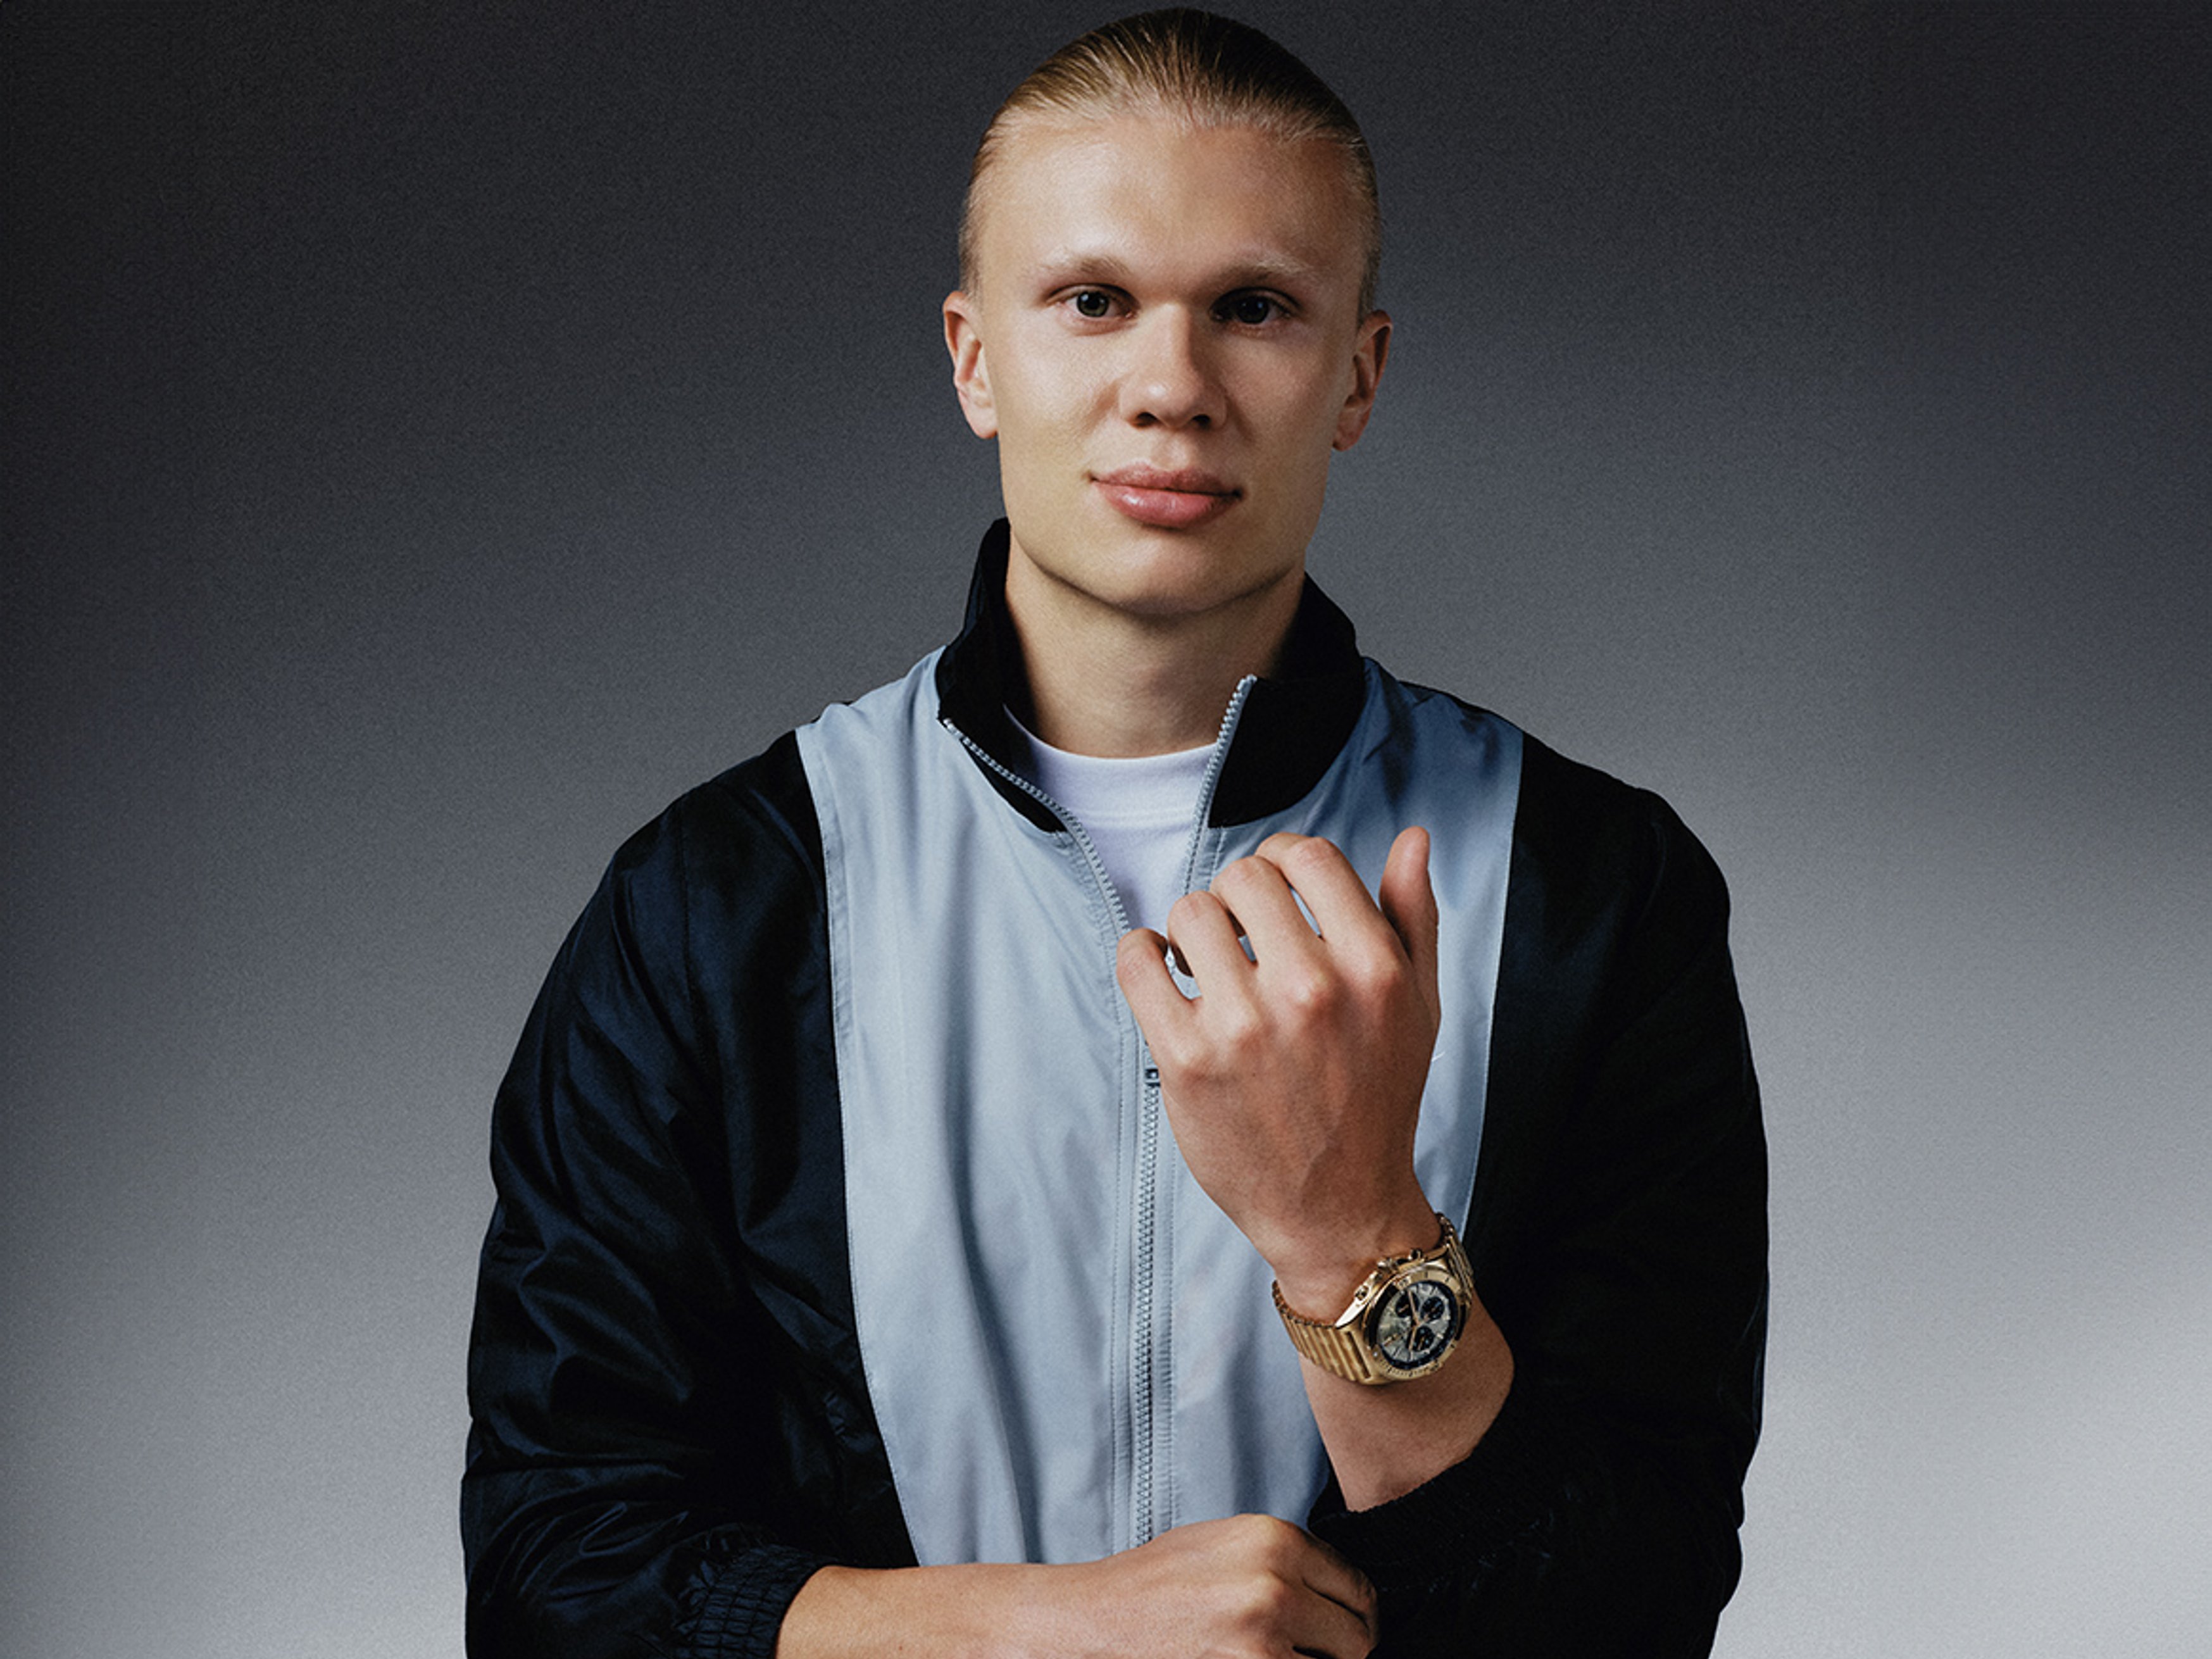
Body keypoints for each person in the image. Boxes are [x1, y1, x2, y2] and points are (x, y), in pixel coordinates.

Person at [461, 11, 1766, 1656]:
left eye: (1256, 309)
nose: (1172, 386)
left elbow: (1634, 1609)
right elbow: (550, 1578)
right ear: (974, 359)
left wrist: (1352, 1235)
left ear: (1355, 374)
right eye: (1093, 302)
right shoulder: (719, 907)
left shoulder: (1595, 888)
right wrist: (1033, 1636)